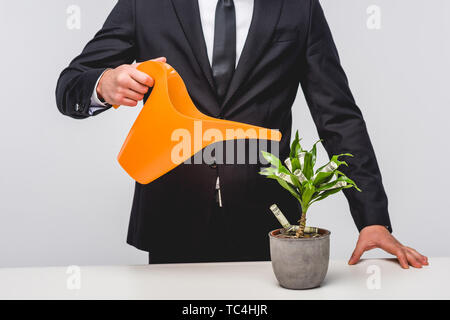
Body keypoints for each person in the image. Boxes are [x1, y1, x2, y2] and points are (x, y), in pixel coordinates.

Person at [56, 0, 427, 268]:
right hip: (173, 218)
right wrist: (103, 84)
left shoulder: (299, 7)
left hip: (270, 225)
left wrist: (373, 219)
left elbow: (338, 117)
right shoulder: (146, 4)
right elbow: (70, 85)